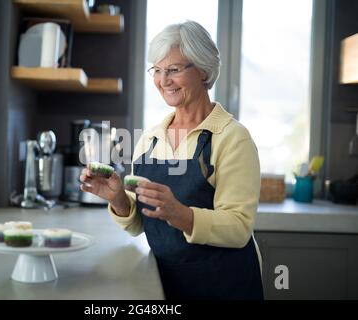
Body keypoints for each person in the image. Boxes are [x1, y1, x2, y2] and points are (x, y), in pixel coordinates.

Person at [80, 20, 263, 300]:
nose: (163, 81)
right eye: (157, 70)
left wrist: (182, 215)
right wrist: (118, 199)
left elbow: (239, 227)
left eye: (174, 70)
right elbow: (141, 225)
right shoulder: (149, 140)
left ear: (202, 69)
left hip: (223, 285)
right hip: (165, 282)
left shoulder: (231, 138)